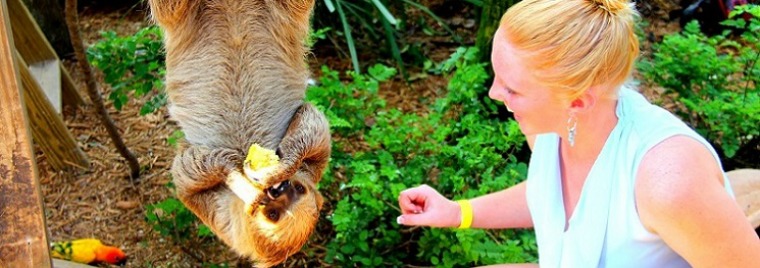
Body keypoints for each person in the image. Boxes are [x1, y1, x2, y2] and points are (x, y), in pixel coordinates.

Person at [396, 0, 760, 267]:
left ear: (578, 101)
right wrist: (458, 212)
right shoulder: (555, 124)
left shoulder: (669, 182)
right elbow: (552, 196)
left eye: (513, 88)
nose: (494, 94)